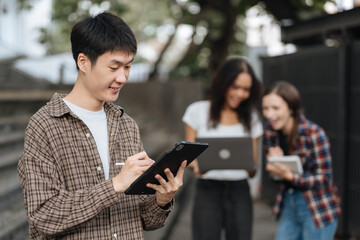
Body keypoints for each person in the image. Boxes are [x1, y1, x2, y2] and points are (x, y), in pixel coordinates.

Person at [17, 12, 186, 240]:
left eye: (128, 67)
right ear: (83, 62)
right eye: (114, 67)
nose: (123, 77)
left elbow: (148, 219)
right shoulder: (45, 125)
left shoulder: (126, 125)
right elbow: (43, 216)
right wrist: (114, 185)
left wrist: (162, 199)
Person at [182, 57, 263, 240]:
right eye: (235, 87)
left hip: (239, 191)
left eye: (246, 89)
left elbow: (252, 168)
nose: (241, 94)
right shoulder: (197, 111)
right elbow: (190, 161)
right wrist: (199, 167)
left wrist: (248, 164)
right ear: (222, 83)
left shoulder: (252, 118)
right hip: (207, 190)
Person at [262, 81, 341, 240]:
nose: (270, 115)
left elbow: (325, 178)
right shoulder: (270, 131)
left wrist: (290, 175)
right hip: (289, 203)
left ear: (291, 108)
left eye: (276, 108)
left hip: (317, 206)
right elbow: (275, 177)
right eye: (265, 108)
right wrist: (274, 168)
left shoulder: (313, 133)